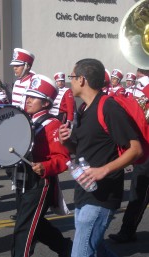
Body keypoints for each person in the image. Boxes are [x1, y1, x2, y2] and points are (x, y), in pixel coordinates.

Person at [59, 58, 142, 257]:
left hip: (102, 197)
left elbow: (135, 149)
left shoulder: (108, 107)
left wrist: (103, 170)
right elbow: (81, 148)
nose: (70, 81)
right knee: (96, 251)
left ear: (81, 80)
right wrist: (66, 142)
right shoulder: (84, 108)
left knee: (81, 254)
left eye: (72, 77)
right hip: (84, 192)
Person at [11, 74, 72, 257]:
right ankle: (65, 247)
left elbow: (63, 158)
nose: (28, 100)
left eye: (34, 98)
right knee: (32, 222)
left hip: (40, 182)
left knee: (24, 228)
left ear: (46, 103)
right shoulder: (24, 120)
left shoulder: (52, 124)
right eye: (27, 96)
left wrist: (46, 166)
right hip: (23, 179)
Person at [108, 68, 149, 244]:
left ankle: (127, 231)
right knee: (137, 192)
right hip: (145, 148)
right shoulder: (141, 88)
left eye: (142, 71)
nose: (138, 74)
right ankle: (127, 231)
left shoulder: (146, 86)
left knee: (139, 192)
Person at [8, 48, 35, 220]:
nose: (15, 69)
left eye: (18, 66)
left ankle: (25, 209)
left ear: (26, 65)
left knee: (25, 173)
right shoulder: (18, 83)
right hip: (16, 129)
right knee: (15, 172)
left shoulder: (34, 82)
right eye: (14, 66)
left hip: (29, 129)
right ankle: (20, 209)